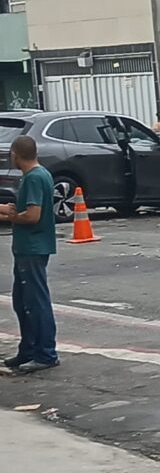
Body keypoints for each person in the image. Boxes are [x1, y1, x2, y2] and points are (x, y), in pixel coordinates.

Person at [0, 136, 59, 374]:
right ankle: (29, 349)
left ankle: (45, 353)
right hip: (28, 248)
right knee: (23, 301)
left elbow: (33, 215)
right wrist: (8, 210)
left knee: (35, 302)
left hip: (32, 248)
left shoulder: (34, 177)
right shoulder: (38, 174)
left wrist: (11, 217)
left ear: (16, 154)